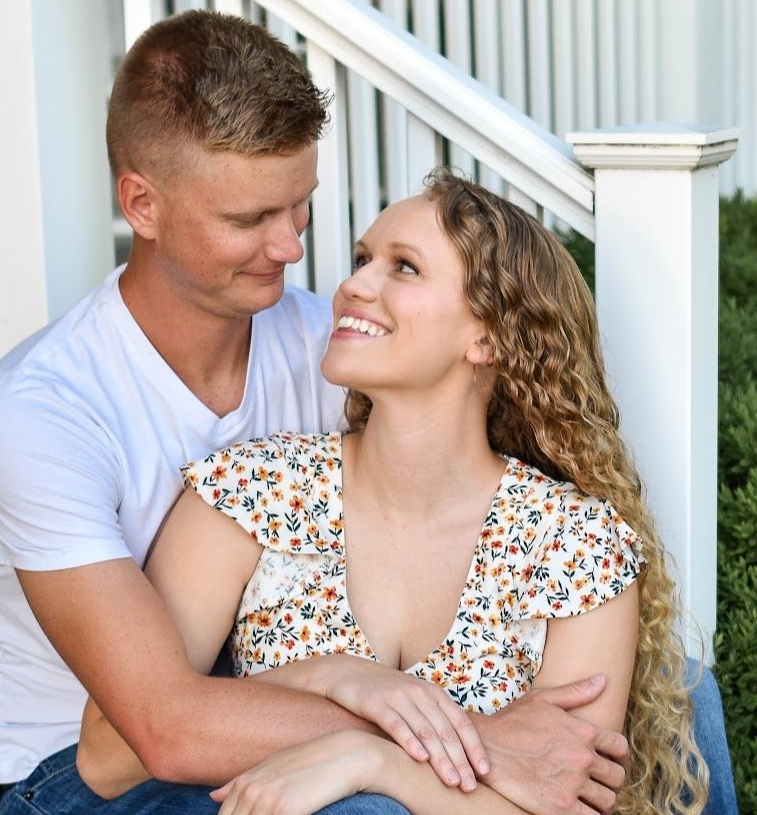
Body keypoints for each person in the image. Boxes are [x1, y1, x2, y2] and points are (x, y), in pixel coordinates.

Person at [0, 10, 737, 814]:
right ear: (142, 204)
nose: (293, 248)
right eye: (248, 220)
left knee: (678, 691)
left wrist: (387, 734)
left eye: (299, 206)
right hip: (97, 766)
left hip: (259, 685)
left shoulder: (325, 343)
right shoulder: (38, 411)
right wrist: (459, 731)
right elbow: (154, 726)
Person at [76, 169, 710, 815]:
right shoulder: (251, 493)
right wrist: (335, 677)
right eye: (361, 259)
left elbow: (568, 801)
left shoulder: (575, 545)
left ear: (486, 336)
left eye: (403, 267)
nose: (354, 284)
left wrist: (373, 762)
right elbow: (106, 754)